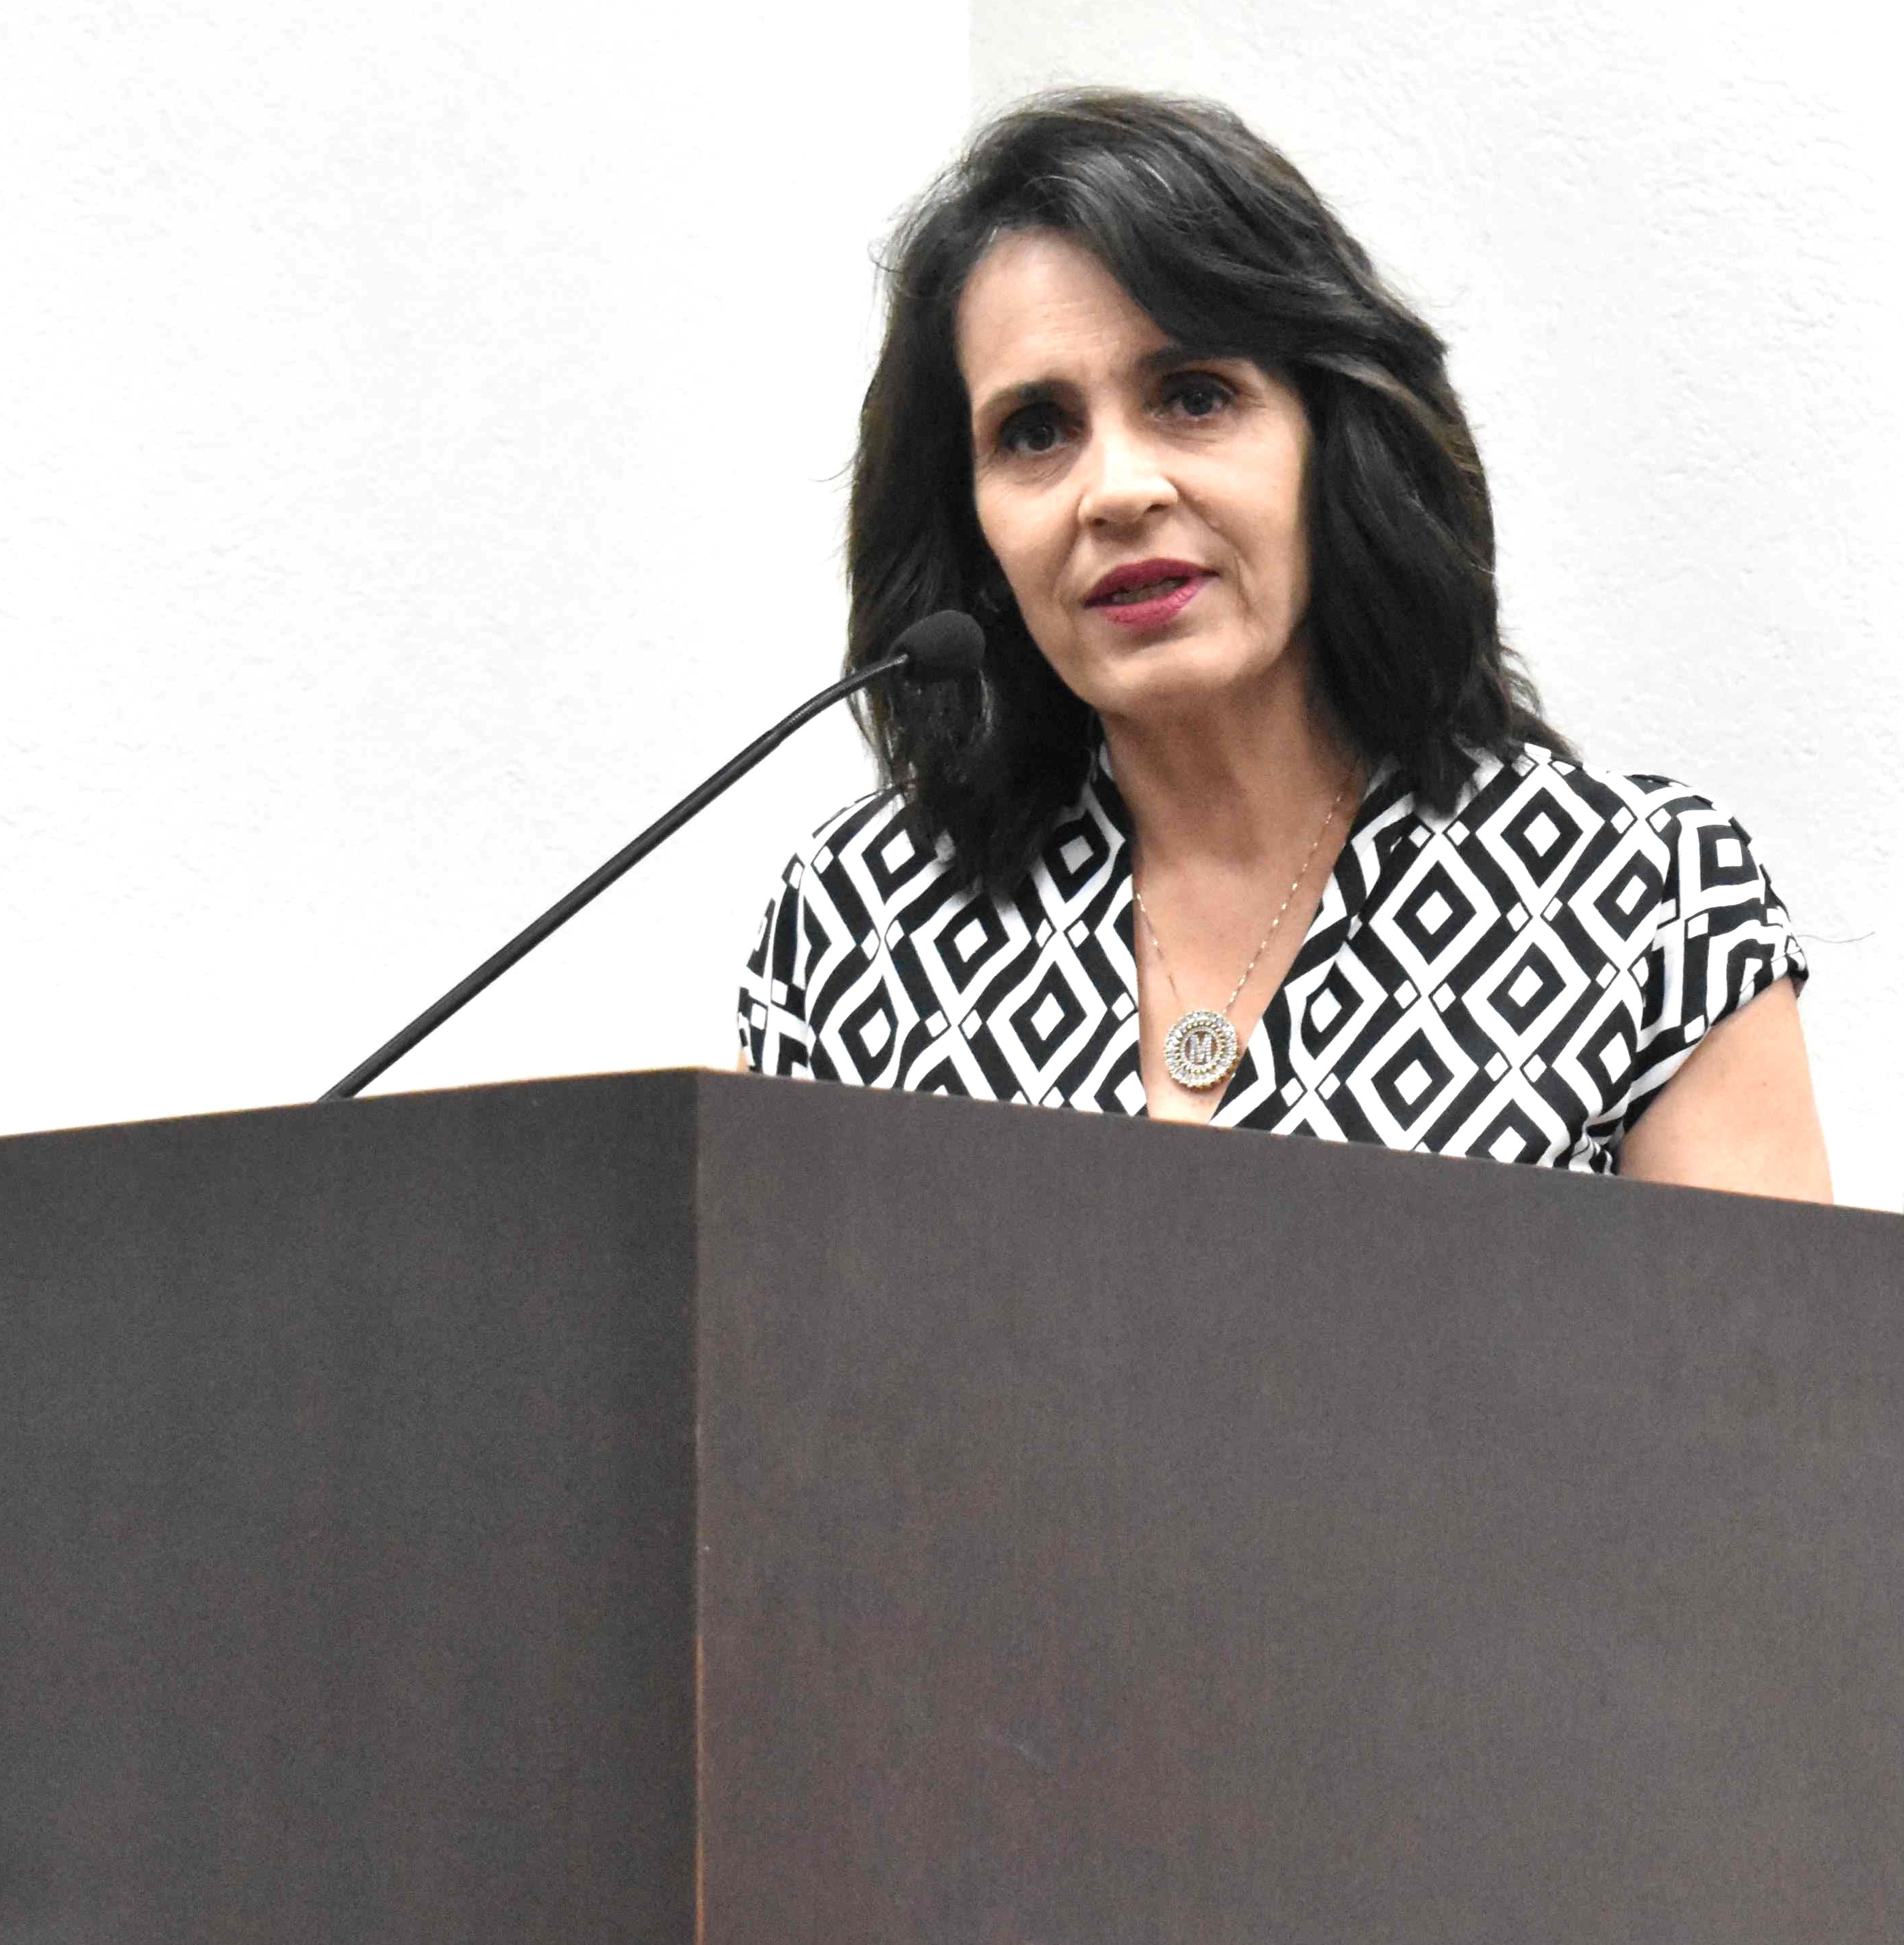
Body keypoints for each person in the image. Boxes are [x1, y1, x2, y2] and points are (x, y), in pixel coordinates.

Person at [739, 89, 1832, 1196]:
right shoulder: (860, 922)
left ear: (1335, 439)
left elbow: (1757, 1319)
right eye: (1035, 431)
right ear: (972, 526)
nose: (1117, 490)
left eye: (1193, 398)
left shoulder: (1639, 899)